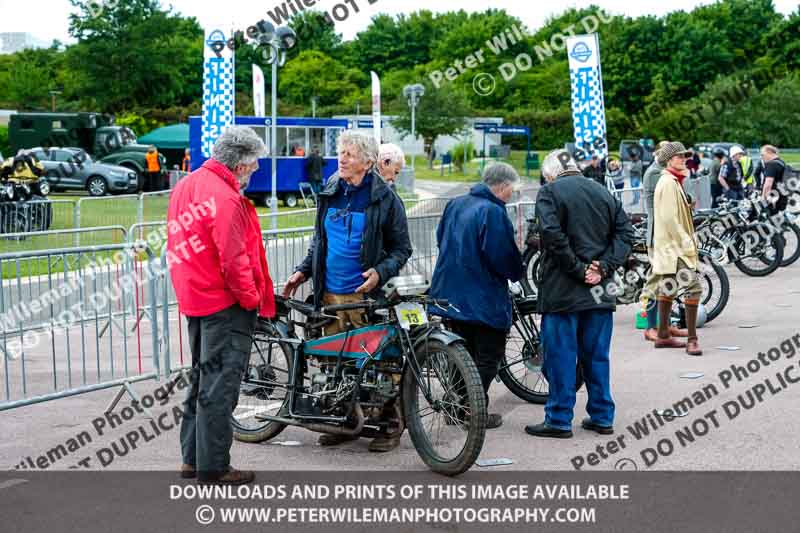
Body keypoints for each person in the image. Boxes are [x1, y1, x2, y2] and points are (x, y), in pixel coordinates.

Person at [282, 130, 412, 452]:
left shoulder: (385, 198)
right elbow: (319, 241)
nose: (342, 159)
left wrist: (381, 273)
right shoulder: (329, 191)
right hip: (328, 296)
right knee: (334, 363)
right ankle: (342, 423)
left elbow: (402, 248)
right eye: (340, 153)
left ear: (368, 162)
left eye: (349, 154)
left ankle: (389, 428)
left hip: (364, 297)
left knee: (379, 365)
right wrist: (303, 269)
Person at [168, 126, 275, 485]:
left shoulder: (187, 184)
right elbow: (233, 259)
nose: (257, 168)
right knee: (220, 387)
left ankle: (192, 459)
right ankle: (214, 466)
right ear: (241, 164)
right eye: (255, 162)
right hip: (223, 303)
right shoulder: (226, 198)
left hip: (196, 297)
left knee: (201, 380)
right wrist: (251, 299)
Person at [525, 150, 633, 439]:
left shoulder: (549, 192)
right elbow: (625, 235)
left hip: (563, 289)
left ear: (550, 174)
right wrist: (603, 267)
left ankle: (559, 419)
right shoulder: (603, 191)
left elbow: (551, 236)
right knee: (597, 356)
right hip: (601, 288)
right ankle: (602, 416)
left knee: (560, 356)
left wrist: (579, 269)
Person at [429, 162, 524, 430]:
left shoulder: (456, 203)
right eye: (512, 190)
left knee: (461, 352)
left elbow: (440, 238)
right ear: (503, 186)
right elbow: (502, 255)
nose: (512, 196)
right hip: (481, 295)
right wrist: (518, 272)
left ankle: (456, 406)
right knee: (488, 354)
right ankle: (472, 410)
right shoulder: (492, 212)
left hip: (449, 291)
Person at [645, 142, 704, 356]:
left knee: (667, 286)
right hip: (675, 247)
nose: (683, 159)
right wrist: (686, 242)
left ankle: (662, 335)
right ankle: (692, 339)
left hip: (668, 245)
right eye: (679, 157)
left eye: (684, 156)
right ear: (669, 160)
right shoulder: (669, 182)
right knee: (694, 288)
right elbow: (669, 218)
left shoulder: (670, 180)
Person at [760, 145, 791, 215]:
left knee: (768, 222)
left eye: (762, 155)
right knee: (777, 221)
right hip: (782, 197)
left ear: (769, 152)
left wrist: (763, 198)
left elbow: (768, 184)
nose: (761, 157)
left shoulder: (772, 165)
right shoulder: (781, 162)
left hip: (772, 199)